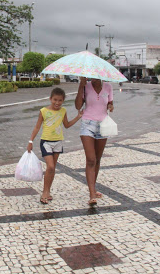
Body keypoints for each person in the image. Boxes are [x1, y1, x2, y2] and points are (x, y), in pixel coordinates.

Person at [27, 87, 84, 204]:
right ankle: (44, 192)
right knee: (51, 167)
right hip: (46, 142)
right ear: (50, 99)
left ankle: (47, 191)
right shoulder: (43, 111)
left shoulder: (63, 111)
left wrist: (78, 117)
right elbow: (37, 127)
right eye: (55, 100)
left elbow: (67, 125)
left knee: (52, 170)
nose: (57, 103)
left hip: (58, 142)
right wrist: (31, 141)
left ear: (63, 101)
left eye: (60, 100)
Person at [75, 77, 114, 206]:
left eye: (97, 76)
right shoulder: (86, 86)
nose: (95, 78)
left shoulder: (108, 86)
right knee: (91, 159)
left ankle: (93, 188)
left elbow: (110, 103)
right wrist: (81, 85)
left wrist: (110, 106)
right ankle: (92, 194)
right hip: (87, 124)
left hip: (103, 125)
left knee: (97, 159)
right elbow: (78, 106)